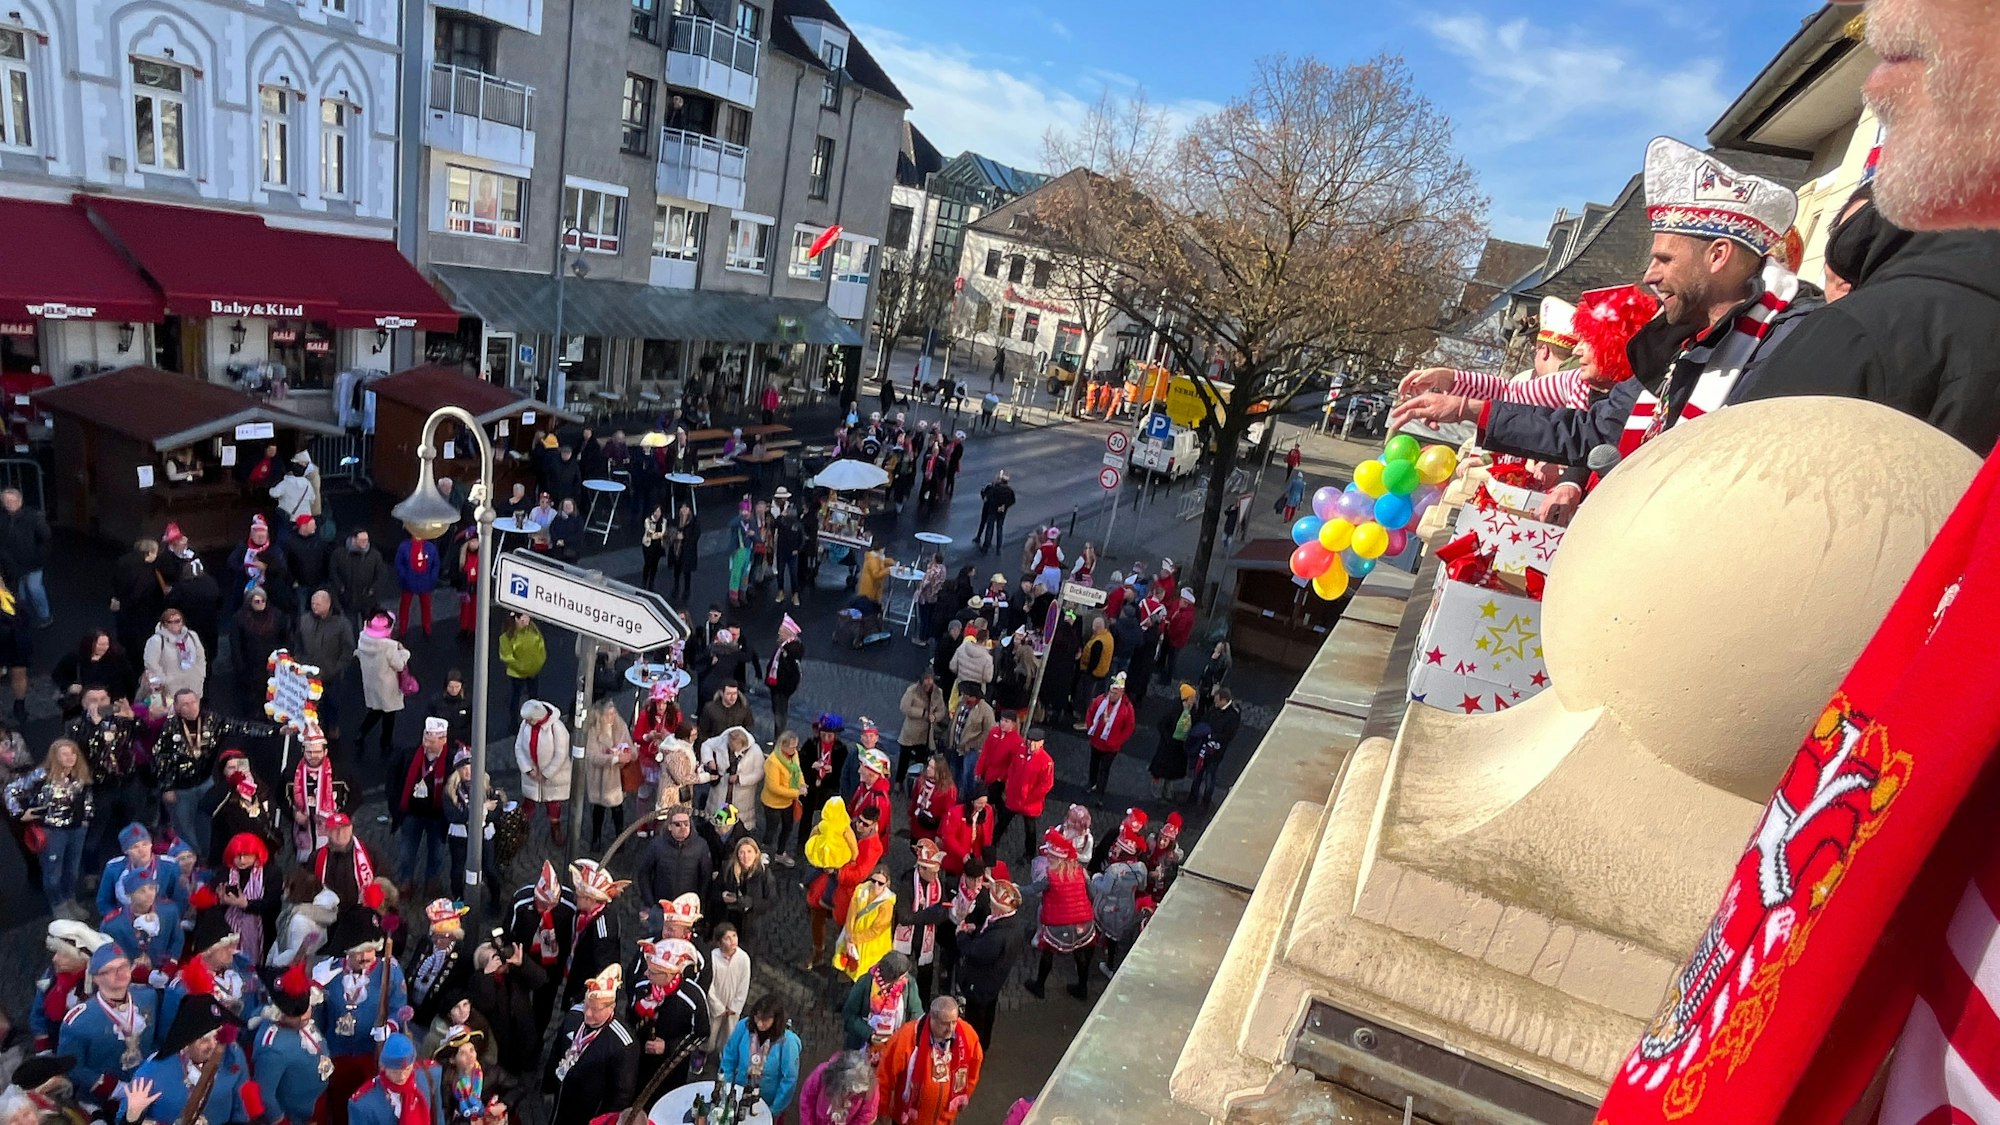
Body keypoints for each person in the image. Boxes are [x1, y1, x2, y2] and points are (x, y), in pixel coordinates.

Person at [118, 964, 255, 1125]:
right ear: (185, 1041)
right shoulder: (152, 1071)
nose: (213, 1045)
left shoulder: (234, 1054)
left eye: (218, 1036)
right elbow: (122, 1119)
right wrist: (133, 1118)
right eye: (204, 1040)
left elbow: (243, 1111)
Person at [58, 944, 162, 1108]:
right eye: (110, 970)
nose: (120, 973)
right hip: (101, 1102)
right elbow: (71, 1067)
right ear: (96, 978)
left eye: (124, 966)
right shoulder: (78, 1021)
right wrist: (113, 1088)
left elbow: (157, 1040)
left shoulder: (148, 997)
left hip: (147, 1086)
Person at [543, 963, 638, 1125]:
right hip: (562, 1094)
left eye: (595, 1009)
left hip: (589, 1111)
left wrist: (603, 1121)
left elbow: (622, 1094)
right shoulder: (574, 1015)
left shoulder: (623, 1044)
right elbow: (557, 1049)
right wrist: (548, 1085)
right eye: (587, 1005)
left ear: (611, 1008)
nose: (587, 1013)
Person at [6, 739, 92, 913]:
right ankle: (58, 906)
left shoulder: (79, 774)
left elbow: (87, 797)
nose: (70, 757)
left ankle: (71, 901)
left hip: (76, 829)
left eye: (73, 753)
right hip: (52, 830)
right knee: (53, 873)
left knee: (72, 871)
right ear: (55, 757)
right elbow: (11, 790)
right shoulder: (42, 775)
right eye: (64, 754)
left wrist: (86, 819)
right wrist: (19, 813)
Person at [876, 994, 984, 1125]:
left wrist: (965, 1094)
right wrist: (883, 1110)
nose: (951, 1029)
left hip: (945, 1120)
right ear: (932, 1018)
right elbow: (884, 1077)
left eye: (954, 1022)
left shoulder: (966, 1034)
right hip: (909, 1120)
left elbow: (974, 1067)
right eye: (945, 1024)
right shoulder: (907, 1037)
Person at [253, 961, 332, 1125]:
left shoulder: (302, 1019)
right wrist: (281, 1122)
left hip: (317, 1105)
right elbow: (264, 1095)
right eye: (297, 1015)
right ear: (279, 1013)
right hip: (296, 1117)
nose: (305, 1017)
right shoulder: (272, 1048)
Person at [953, 878, 1026, 1049]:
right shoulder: (1012, 925)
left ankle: (972, 1050)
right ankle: (983, 1044)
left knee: (975, 1020)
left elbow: (975, 952)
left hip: (980, 984)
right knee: (988, 1013)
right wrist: (977, 930)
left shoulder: (997, 936)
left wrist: (961, 935)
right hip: (993, 982)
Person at [626, 939, 705, 1095]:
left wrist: (668, 1047)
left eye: (652, 972)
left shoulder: (691, 998)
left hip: (670, 1068)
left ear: (668, 975)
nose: (646, 974)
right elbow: (630, 1017)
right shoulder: (641, 987)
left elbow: (701, 1033)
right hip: (639, 1060)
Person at [391, 718, 456, 900]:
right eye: (425, 737)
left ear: (443, 740)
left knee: (437, 853)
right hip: (412, 813)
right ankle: (406, 881)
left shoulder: (451, 760)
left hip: (438, 815)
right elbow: (394, 780)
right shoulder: (409, 755)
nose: (426, 743)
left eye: (432, 740)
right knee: (406, 852)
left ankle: (432, 882)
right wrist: (396, 807)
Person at [719, 996, 802, 1118]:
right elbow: (729, 1056)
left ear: (776, 1020)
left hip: (766, 1102)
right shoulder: (744, 1027)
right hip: (738, 1093)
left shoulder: (787, 1042)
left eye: (765, 1020)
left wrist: (774, 1110)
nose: (759, 1024)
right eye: (757, 1018)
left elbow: (789, 1079)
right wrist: (726, 1087)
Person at [297, 590, 356, 739]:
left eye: (318, 604)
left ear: (328, 604)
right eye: (312, 603)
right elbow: (298, 642)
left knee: (332, 702)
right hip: (309, 673)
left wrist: (337, 667)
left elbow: (348, 648)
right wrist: (300, 662)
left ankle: (333, 727)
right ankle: (315, 729)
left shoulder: (341, 624)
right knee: (311, 704)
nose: (314, 607)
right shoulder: (304, 620)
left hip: (331, 673)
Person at [355, 609, 411, 759]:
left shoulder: (363, 639)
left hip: (371, 682)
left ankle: (361, 732)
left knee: (376, 709)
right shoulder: (389, 646)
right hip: (387, 685)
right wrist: (405, 653)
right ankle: (385, 743)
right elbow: (399, 665)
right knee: (389, 713)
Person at [636, 805, 712, 913]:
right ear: (669, 826)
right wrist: (650, 904)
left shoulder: (701, 846)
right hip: (661, 907)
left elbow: (706, 878)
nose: (683, 827)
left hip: (688, 910)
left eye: (686, 823)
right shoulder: (656, 845)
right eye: (677, 824)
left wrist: (700, 905)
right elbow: (643, 873)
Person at [513, 700, 570, 842]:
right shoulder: (525, 725)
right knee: (528, 803)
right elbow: (518, 747)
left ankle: (555, 829)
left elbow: (561, 754)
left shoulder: (557, 728)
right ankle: (521, 828)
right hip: (532, 774)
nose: (526, 722)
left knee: (553, 804)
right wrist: (528, 769)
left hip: (553, 777)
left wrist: (546, 774)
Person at [997, 729, 1054, 863]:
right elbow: (1012, 769)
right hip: (1014, 797)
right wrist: (1009, 787)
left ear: (1042, 743)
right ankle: (992, 842)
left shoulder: (1046, 761)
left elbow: (1046, 785)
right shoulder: (1020, 751)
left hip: (1030, 803)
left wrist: (1030, 798)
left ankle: (1029, 854)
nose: (1031, 745)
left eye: (1035, 742)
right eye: (1030, 741)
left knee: (1030, 829)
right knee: (1003, 821)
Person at [1081, 673, 1138, 804]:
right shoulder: (1101, 700)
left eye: (1115, 693)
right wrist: (1090, 728)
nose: (1111, 695)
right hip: (1096, 741)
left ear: (1121, 692)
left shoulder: (1127, 708)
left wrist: (1118, 741)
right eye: (1111, 692)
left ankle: (1100, 794)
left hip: (1111, 747)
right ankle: (1091, 782)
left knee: (1104, 770)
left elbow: (1129, 728)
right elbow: (1091, 712)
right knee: (1094, 764)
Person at [0, 488, 50, 631]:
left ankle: (45, 616)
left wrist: (39, 556)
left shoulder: (33, 516)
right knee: (20, 594)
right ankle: (24, 618)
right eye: (7, 501)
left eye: (13, 500)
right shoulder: (2, 519)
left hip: (33, 562)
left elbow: (45, 537)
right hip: (12, 564)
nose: (11, 503)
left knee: (34, 588)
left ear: (20, 501)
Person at [758, 731, 805, 866]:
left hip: (788, 802)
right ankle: (764, 854)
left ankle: (780, 853)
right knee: (771, 829)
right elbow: (774, 788)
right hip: (773, 804)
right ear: (782, 745)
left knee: (788, 827)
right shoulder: (773, 761)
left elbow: (798, 771)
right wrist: (796, 793)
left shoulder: (793, 755)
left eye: (796, 746)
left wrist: (802, 784)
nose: (795, 750)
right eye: (791, 747)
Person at [313, 813, 378, 909]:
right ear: (327, 832)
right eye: (335, 829)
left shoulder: (369, 853)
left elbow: (383, 882)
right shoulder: (317, 857)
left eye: (344, 828)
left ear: (351, 829)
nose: (340, 833)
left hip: (362, 910)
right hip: (329, 912)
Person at [713, 836, 772, 941]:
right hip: (729, 922)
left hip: (751, 925)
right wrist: (722, 896)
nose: (746, 856)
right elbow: (715, 890)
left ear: (756, 853)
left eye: (749, 852)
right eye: (742, 852)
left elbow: (771, 901)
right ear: (737, 854)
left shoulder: (764, 873)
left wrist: (750, 903)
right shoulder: (728, 869)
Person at [142, 608, 206, 702]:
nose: (174, 624)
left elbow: (201, 657)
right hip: (170, 691)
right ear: (164, 623)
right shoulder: (156, 641)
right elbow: (151, 664)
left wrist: (200, 675)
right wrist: (164, 680)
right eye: (170, 622)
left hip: (193, 687)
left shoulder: (192, 636)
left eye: (177, 621)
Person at [799, 1050, 879, 1125]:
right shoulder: (821, 1073)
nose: (850, 1097)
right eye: (848, 1091)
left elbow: (866, 1115)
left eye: (856, 1094)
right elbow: (807, 1101)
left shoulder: (871, 1088)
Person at [764, 615, 804, 742]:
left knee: (780, 714)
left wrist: (785, 688)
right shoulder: (783, 647)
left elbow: (792, 673)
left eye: (781, 631)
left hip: (781, 688)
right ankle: (779, 737)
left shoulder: (790, 651)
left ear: (788, 633)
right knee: (778, 711)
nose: (778, 633)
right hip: (777, 686)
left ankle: (779, 739)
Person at [498, 613, 546, 720]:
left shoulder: (533, 629)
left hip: (533, 671)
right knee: (515, 697)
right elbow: (507, 656)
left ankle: (535, 717)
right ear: (516, 619)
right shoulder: (507, 636)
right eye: (524, 619)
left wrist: (539, 662)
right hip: (517, 674)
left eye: (528, 618)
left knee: (533, 697)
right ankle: (513, 721)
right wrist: (524, 668)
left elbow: (541, 645)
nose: (527, 621)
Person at [394, 536, 442, 638]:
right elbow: (399, 563)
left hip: (425, 581)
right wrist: (404, 576)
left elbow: (435, 564)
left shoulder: (430, 547)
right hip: (408, 581)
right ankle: (402, 630)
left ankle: (427, 629)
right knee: (404, 607)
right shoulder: (404, 546)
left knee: (426, 606)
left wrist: (432, 578)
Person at [974, 472, 1014, 555]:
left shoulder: (995, 489)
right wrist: (1004, 506)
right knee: (999, 529)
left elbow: (987, 498)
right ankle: (998, 549)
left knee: (990, 528)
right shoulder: (1009, 490)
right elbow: (1012, 501)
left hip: (992, 511)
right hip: (1002, 513)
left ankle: (986, 547)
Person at [668, 503, 700, 604]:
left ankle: (687, 590)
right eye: (682, 508)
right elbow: (670, 531)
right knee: (676, 571)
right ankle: (676, 587)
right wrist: (675, 536)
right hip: (677, 550)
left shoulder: (693, 522)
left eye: (686, 508)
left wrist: (684, 537)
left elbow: (696, 536)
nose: (684, 510)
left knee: (687, 572)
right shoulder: (676, 520)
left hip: (687, 551)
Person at [640, 503, 669, 591]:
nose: (658, 513)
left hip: (658, 546)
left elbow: (663, 533)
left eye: (659, 511)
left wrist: (658, 535)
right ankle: (644, 581)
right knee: (647, 563)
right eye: (656, 511)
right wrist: (657, 535)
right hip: (648, 544)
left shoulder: (664, 521)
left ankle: (651, 581)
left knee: (655, 564)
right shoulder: (648, 520)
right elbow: (650, 532)